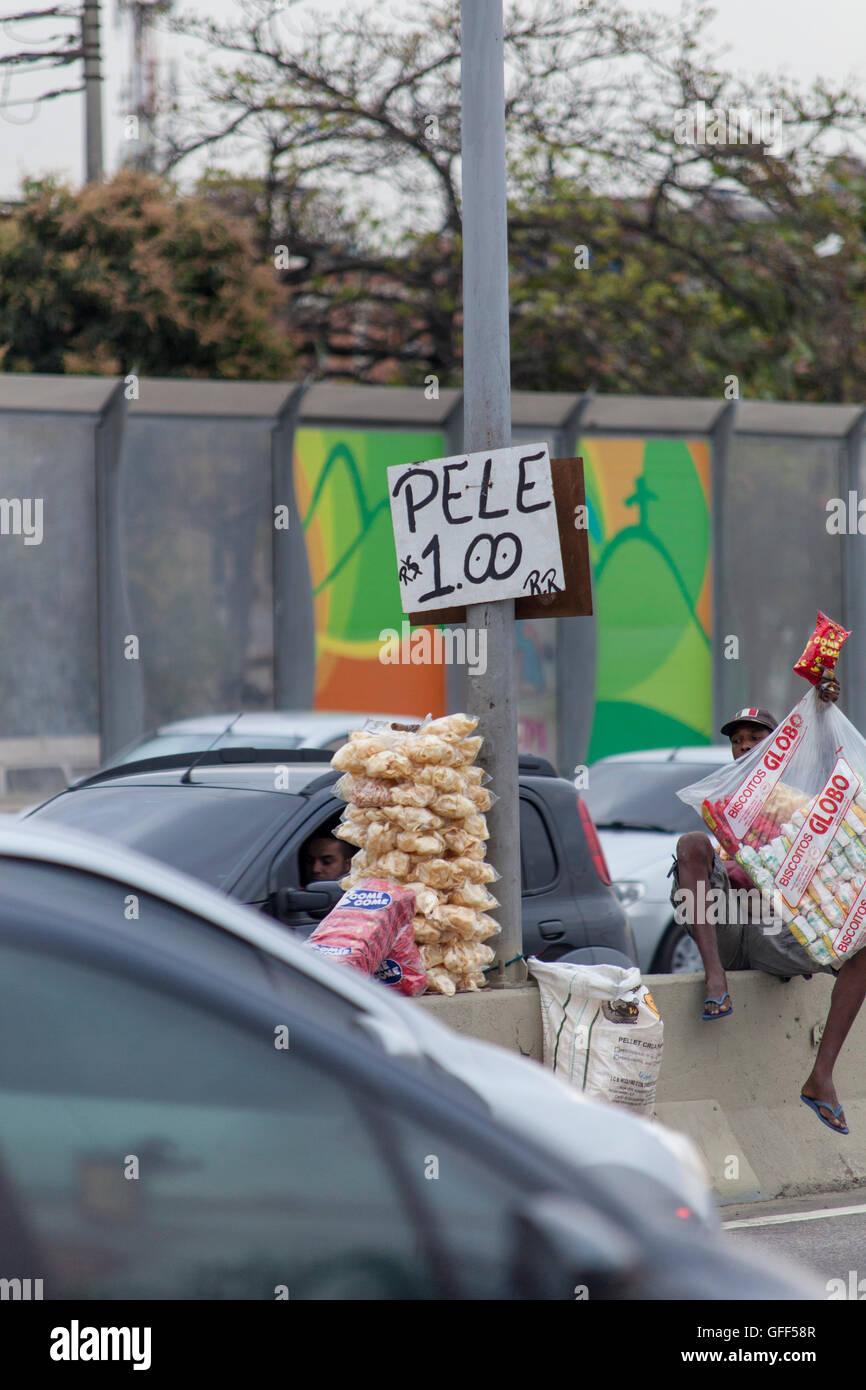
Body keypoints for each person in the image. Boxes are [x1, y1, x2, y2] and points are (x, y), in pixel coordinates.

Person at [670, 674, 864, 1134]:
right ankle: (715, 978)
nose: (744, 747)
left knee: (863, 949)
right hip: (725, 926)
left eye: (756, 739)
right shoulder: (724, 805)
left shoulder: (797, 805)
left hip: (776, 935)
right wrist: (739, 867)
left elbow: (825, 755)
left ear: (777, 747)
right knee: (692, 843)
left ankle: (821, 1077)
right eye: (737, 741)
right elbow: (708, 869)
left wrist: (821, 704)